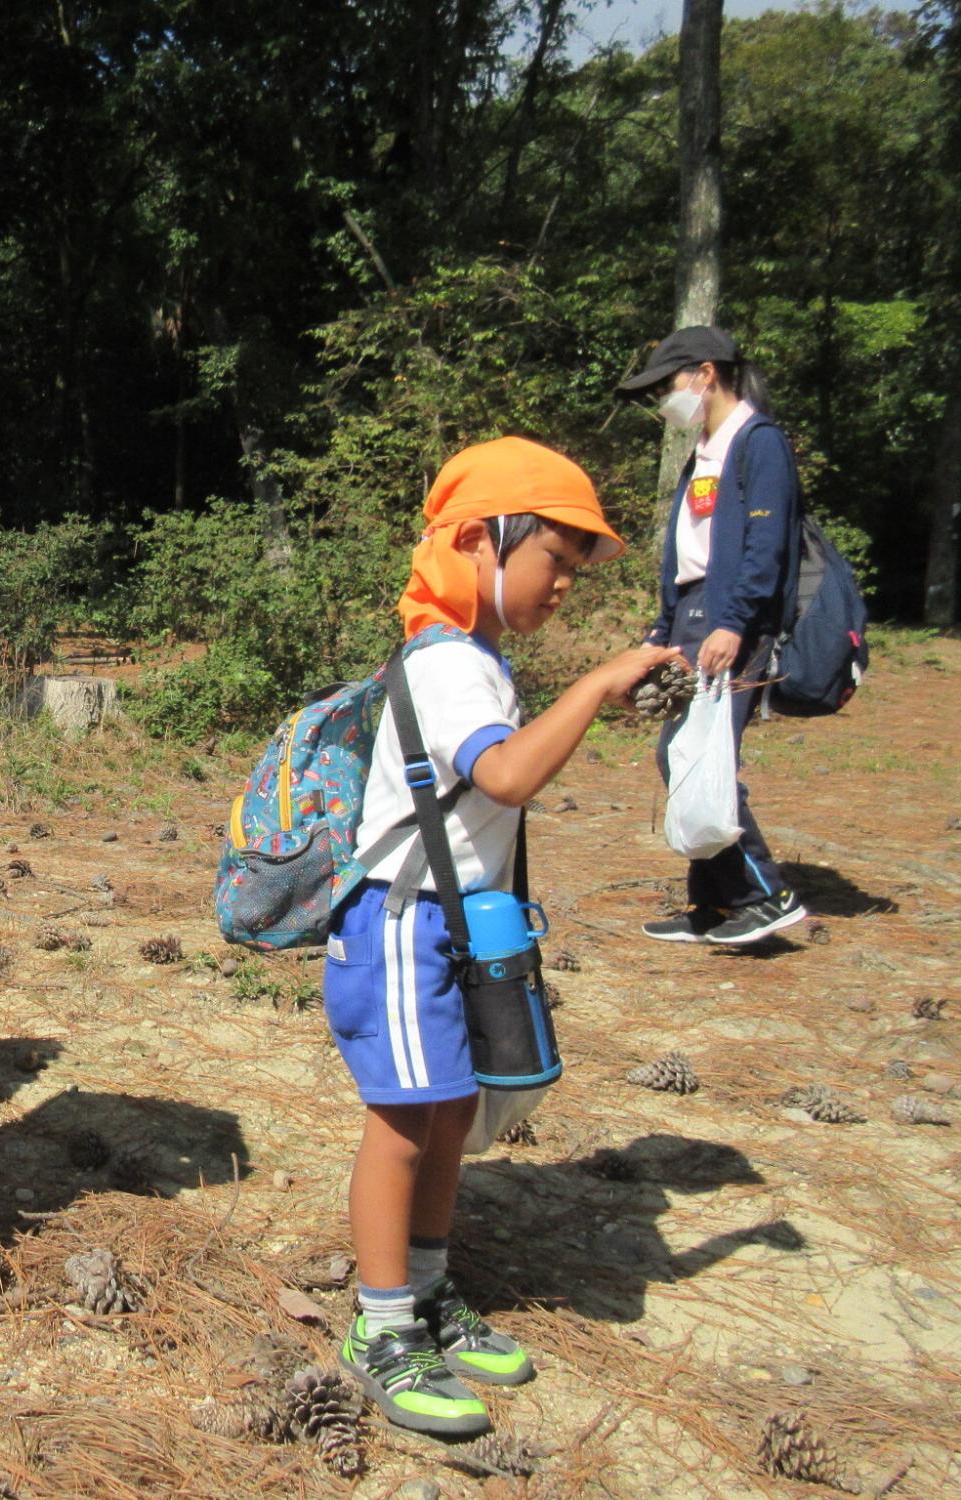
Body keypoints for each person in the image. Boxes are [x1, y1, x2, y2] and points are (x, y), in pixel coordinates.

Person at [328, 437, 679, 1436]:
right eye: (554, 561)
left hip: (448, 920)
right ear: (480, 542)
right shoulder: (443, 664)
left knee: (446, 1117)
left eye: (575, 568)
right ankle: (380, 1326)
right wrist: (595, 686)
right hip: (396, 923)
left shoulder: (478, 660)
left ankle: (428, 1289)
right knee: (403, 1123)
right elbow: (507, 779)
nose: (564, 584)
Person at [617, 326, 808, 944]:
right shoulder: (705, 449)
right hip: (693, 613)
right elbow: (686, 550)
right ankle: (714, 903)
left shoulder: (758, 442)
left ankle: (763, 894)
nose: (665, 399)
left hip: (733, 618)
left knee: (704, 760)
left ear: (705, 373)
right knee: (681, 753)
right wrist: (662, 626)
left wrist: (733, 621)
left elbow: (765, 546)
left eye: (669, 384)